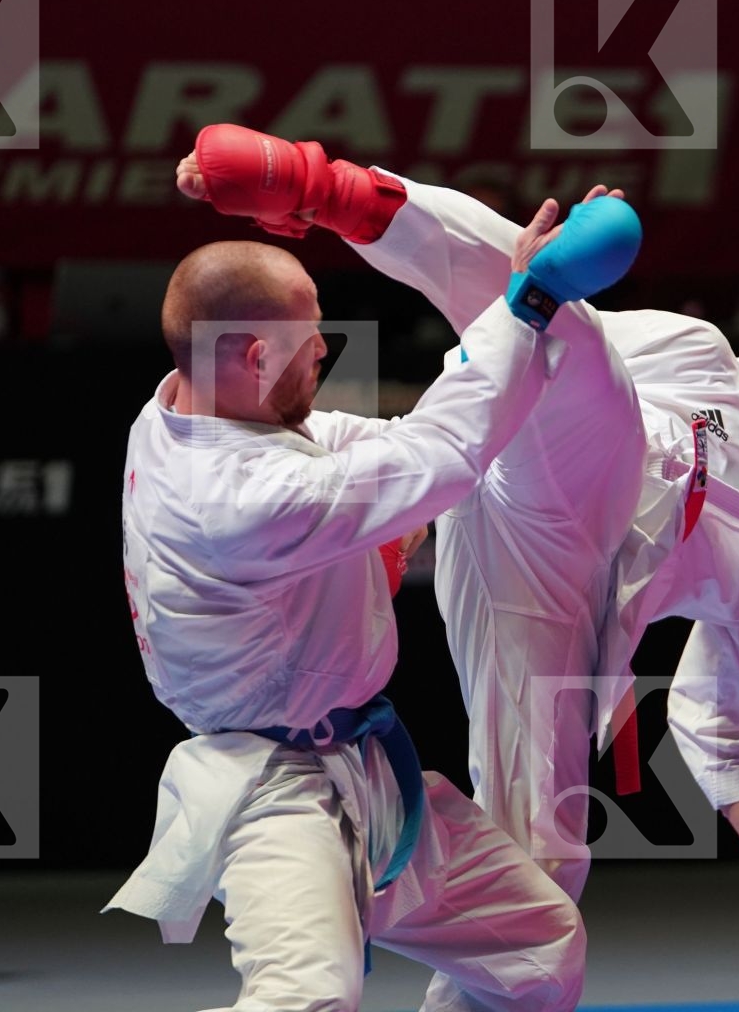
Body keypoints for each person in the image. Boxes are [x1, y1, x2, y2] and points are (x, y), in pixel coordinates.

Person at [176, 126, 739, 966]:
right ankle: (324, 187)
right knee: (567, 320)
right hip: (546, 463)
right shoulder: (703, 362)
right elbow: (548, 335)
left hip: (554, 603)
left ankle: (370, 900)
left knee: (541, 885)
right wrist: (556, 269)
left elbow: (724, 714)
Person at [102, 210, 637, 1011]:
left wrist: (476, 387)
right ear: (252, 357)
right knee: (309, 1001)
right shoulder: (237, 498)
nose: (325, 348)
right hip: (271, 793)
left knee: (536, 949)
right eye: (310, 337)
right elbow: (433, 457)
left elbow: (386, 447)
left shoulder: (184, 408)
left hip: (363, 773)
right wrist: (526, 302)